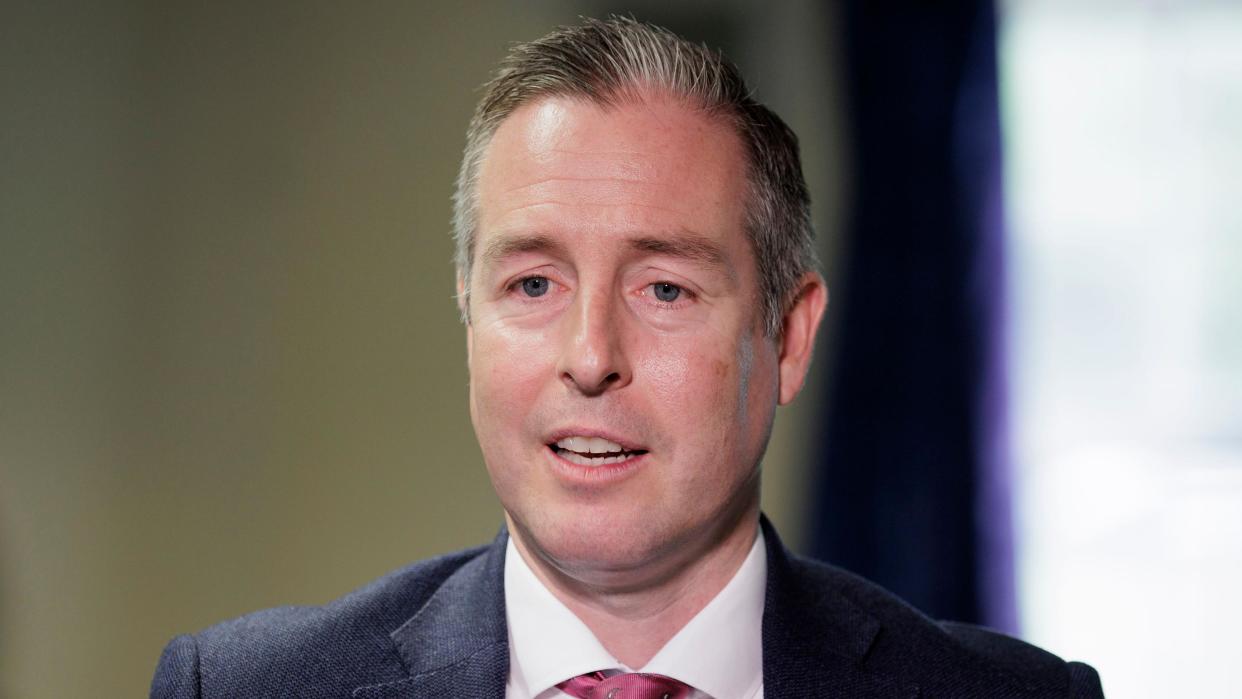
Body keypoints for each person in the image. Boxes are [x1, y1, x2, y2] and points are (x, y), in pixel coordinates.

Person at [150, 17, 1103, 699]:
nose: (592, 355)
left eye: (664, 290)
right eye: (533, 286)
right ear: (467, 318)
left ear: (787, 336)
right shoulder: (241, 688)